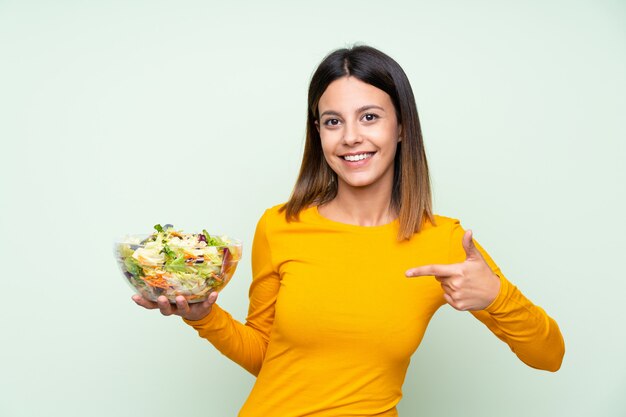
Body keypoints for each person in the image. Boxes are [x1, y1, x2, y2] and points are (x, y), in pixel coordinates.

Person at [132, 45, 565, 416]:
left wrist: (496, 297)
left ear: (401, 128)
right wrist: (203, 317)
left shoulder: (447, 243)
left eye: (370, 117)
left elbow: (549, 356)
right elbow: (267, 356)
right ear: (318, 132)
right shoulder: (280, 225)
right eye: (333, 121)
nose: (351, 137)